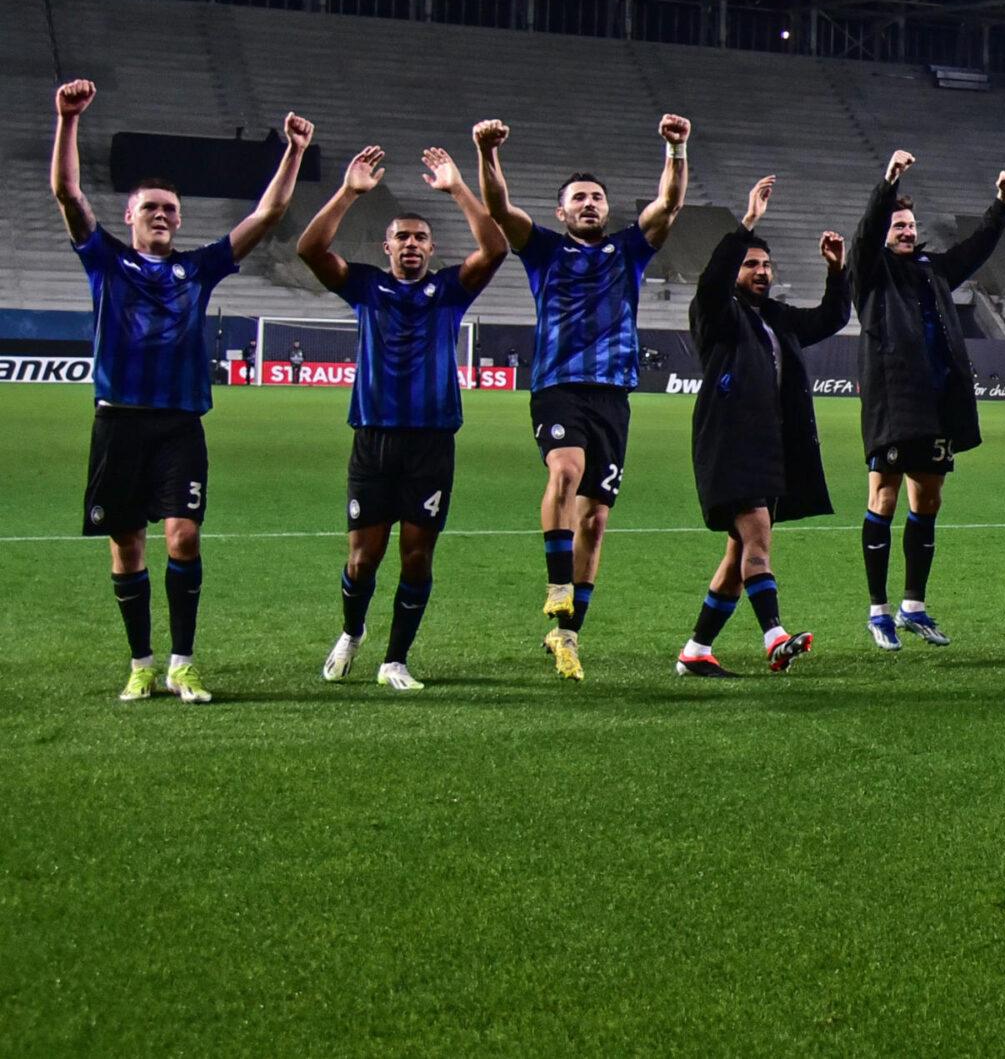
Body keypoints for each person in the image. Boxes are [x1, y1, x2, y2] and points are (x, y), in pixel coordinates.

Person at [53, 80, 313, 703]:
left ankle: (182, 661)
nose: (163, 216)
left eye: (170, 209)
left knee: (184, 536)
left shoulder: (197, 268)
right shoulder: (105, 260)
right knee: (127, 542)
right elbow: (67, 191)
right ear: (130, 216)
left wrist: (294, 152)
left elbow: (268, 215)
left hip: (179, 426)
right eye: (152, 209)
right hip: (118, 421)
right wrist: (67, 119)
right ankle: (141, 662)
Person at [476, 113, 688, 681]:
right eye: (579, 198)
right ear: (561, 212)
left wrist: (676, 148)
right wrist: (488, 154)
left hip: (614, 395)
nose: (590, 204)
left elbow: (667, 207)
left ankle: (568, 635)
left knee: (594, 523)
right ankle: (556, 585)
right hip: (558, 387)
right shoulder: (543, 250)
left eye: (596, 197)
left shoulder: (628, 251)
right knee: (565, 472)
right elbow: (499, 210)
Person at [297, 144, 508, 691]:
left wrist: (459, 188)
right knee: (363, 558)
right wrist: (347, 192)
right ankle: (351, 633)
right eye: (402, 237)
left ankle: (396, 659)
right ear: (385, 245)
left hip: (432, 444)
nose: (410, 244)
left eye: (420, 238)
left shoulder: (448, 292)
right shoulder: (366, 286)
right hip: (374, 440)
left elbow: (496, 247)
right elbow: (310, 248)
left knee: (416, 556)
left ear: (431, 248)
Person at [676, 175, 851, 677]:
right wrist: (747, 222)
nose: (761, 271)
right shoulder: (717, 314)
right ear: (734, 270)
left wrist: (837, 272)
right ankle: (774, 636)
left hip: (768, 447)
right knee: (757, 538)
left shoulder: (773, 316)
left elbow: (830, 319)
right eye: (751, 264)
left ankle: (696, 651)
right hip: (730, 443)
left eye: (766, 264)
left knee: (737, 557)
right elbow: (711, 281)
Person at [853, 148, 1005, 651]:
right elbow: (862, 235)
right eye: (897, 225)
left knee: (928, 502)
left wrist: (1001, 205)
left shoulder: (933, 268)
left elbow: (976, 249)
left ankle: (913, 606)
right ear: (885, 232)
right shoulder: (872, 270)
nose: (905, 231)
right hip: (894, 404)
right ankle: (878, 610)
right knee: (882, 497)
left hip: (939, 405)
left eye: (909, 225)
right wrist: (888, 184)